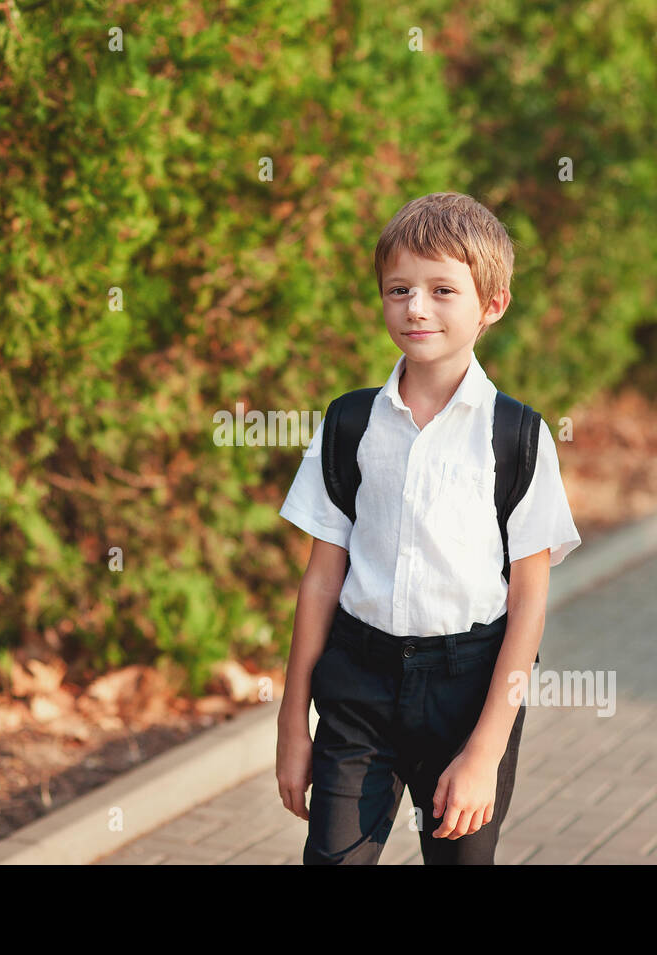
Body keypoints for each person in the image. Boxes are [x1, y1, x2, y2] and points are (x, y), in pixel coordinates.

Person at [275, 192, 581, 864]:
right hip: (358, 685)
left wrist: (485, 749)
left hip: (467, 693)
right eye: (399, 289)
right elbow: (322, 576)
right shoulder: (350, 424)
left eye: (443, 289)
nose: (416, 307)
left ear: (491, 305)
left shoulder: (518, 437)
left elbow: (528, 601)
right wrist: (292, 723)